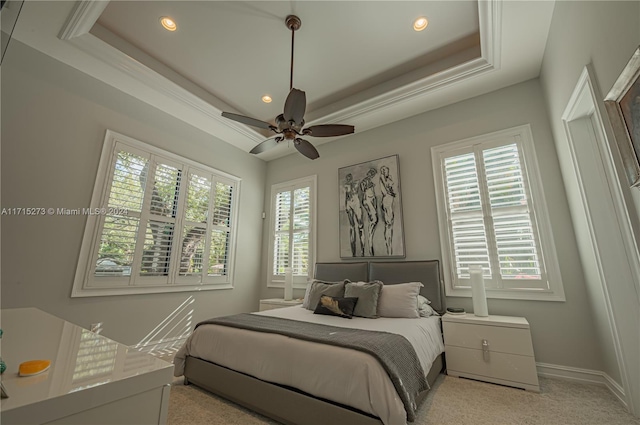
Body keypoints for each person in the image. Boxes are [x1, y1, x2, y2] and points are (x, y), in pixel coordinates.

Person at [344, 173, 364, 256]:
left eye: (349, 177)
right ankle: (353, 253)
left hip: (356, 202)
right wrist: (346, 205)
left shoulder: (356, 183)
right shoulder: (346, 185)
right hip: (349, 203)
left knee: (360, 225)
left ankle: (362, 251)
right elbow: (347, 195)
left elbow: (360, 192)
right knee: (352, 226)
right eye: (347, 178)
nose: (348, 179)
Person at [360, 168, 378, 256]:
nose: (372, 175)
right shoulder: (365, 181)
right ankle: (369, 242)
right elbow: (363, 189)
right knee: (374, 220)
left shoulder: (370, 181)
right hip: (367, 200)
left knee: (374, 220)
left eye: (373, 173)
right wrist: (369, 185)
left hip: (371, 200)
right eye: (371, 173)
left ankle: (370, 243)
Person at [379, 165, 396, 255]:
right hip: (386, 200)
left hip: (390, 200)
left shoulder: (389, 177)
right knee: (388, 224)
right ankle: (388, 248)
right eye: (384, 170)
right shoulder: (382, 177)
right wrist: (391, 192)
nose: (386, 172)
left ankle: (389, 247)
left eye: (386, 170)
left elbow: (392, 189)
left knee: (390, 223)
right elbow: (385, 191)